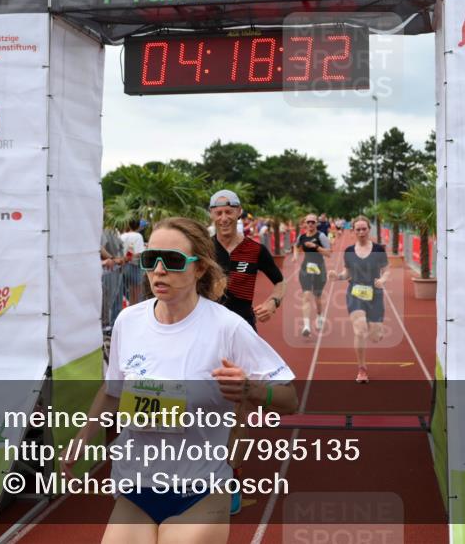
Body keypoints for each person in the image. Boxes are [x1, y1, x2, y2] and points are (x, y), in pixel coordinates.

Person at [63, 217, 296, 544]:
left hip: (200, 488)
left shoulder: (227, 328)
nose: (158, 270)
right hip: (134, 485)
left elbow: (290, 398)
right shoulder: (128, 322)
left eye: (172, 261)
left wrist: (251, 390)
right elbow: (113, 390)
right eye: (150, 259)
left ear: (199, 268)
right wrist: (83, 437)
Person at [209, 190, 285, 333]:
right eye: (218, 213)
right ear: (211, 214)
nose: (224, 218)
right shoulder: (203, 249)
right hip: (209, 329)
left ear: (239, 211)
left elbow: (280, 282)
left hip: (244, 328)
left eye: (229, 212)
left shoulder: (256, 250)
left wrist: (273, 302)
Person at [329, 216, 389, 384]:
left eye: (364, 229)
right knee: (360, 330)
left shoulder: (378, 249)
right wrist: (337, 277)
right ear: (353, 231)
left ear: (369, 229)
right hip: (355, 293)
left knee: (375, 336)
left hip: (375, 295)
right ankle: (362, 368)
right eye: (358, 229)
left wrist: (383, 280)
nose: (361, 232)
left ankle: (377, 329)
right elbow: (347, 273)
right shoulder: (348, 251)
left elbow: (387, 270)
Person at [293, 214, 331, 337]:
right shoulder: (302, 236)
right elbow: (296, 246)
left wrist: (315, 246)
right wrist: (295, 256)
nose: (310, 224)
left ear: (316, 224)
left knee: (317, 297)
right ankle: (306, 326)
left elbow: (329, 253)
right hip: (305, 269)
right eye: (308, 222)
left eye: (313, 222)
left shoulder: (321, 236)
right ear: (305, 223)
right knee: (306, 295)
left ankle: (319, 316)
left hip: (319, 269)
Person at [120, 220, 146, 306]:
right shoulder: (138, 236)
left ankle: (130, 309)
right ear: (138, 226)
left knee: (128, 292)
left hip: (122, 266)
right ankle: (134, 310)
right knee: (136, 292)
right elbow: (139, 253)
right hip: (134, 266)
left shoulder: (122, 235)